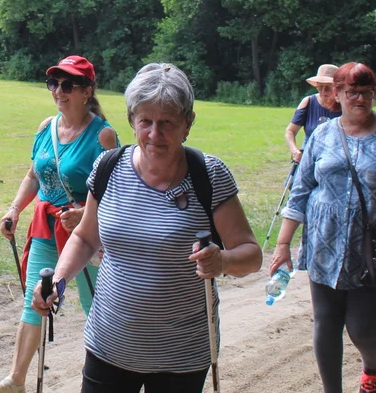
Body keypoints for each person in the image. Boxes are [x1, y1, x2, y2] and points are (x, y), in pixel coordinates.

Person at [33, 62, 262, 393]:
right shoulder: (109, 167)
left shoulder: (208, 175)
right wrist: (58, 281)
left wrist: (222, 261)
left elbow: (251, 254)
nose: (155, 134)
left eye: (167, 122)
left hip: (182, 357)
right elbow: (85, 236)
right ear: (132, 121)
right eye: (146, 122)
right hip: (108, 346)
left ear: (188, 124)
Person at [270, 62, 376, 393]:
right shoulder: (323, 136)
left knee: (361, 327)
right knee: (325, 324)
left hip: (374, 249)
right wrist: (283, 245)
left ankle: (372, 366)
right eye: (352, 92)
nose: (360, 99)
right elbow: (300, 191)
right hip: (323, 244)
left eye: (367, 92)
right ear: (337, 95)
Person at [0, 56, 118, 393]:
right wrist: (15, 209)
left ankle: (110, 376)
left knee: (95, 305)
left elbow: (114, 190)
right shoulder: (47, 127)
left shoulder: (103, 135)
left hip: (86, 234)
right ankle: (16, 380)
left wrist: (84, 216)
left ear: (87, 91)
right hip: (46, 229)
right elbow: (34, 175)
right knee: (36, 300)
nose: (59, 91)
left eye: (68, 84)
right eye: (54, 83)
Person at [285, 64, 342, 163]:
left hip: (337, 160)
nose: (323, 91)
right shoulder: (308, 102)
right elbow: (290, 131)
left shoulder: (345, 105)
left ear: (337, 88)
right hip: (309, 159)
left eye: (328, 87)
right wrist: (295, 151)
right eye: (320, 87)